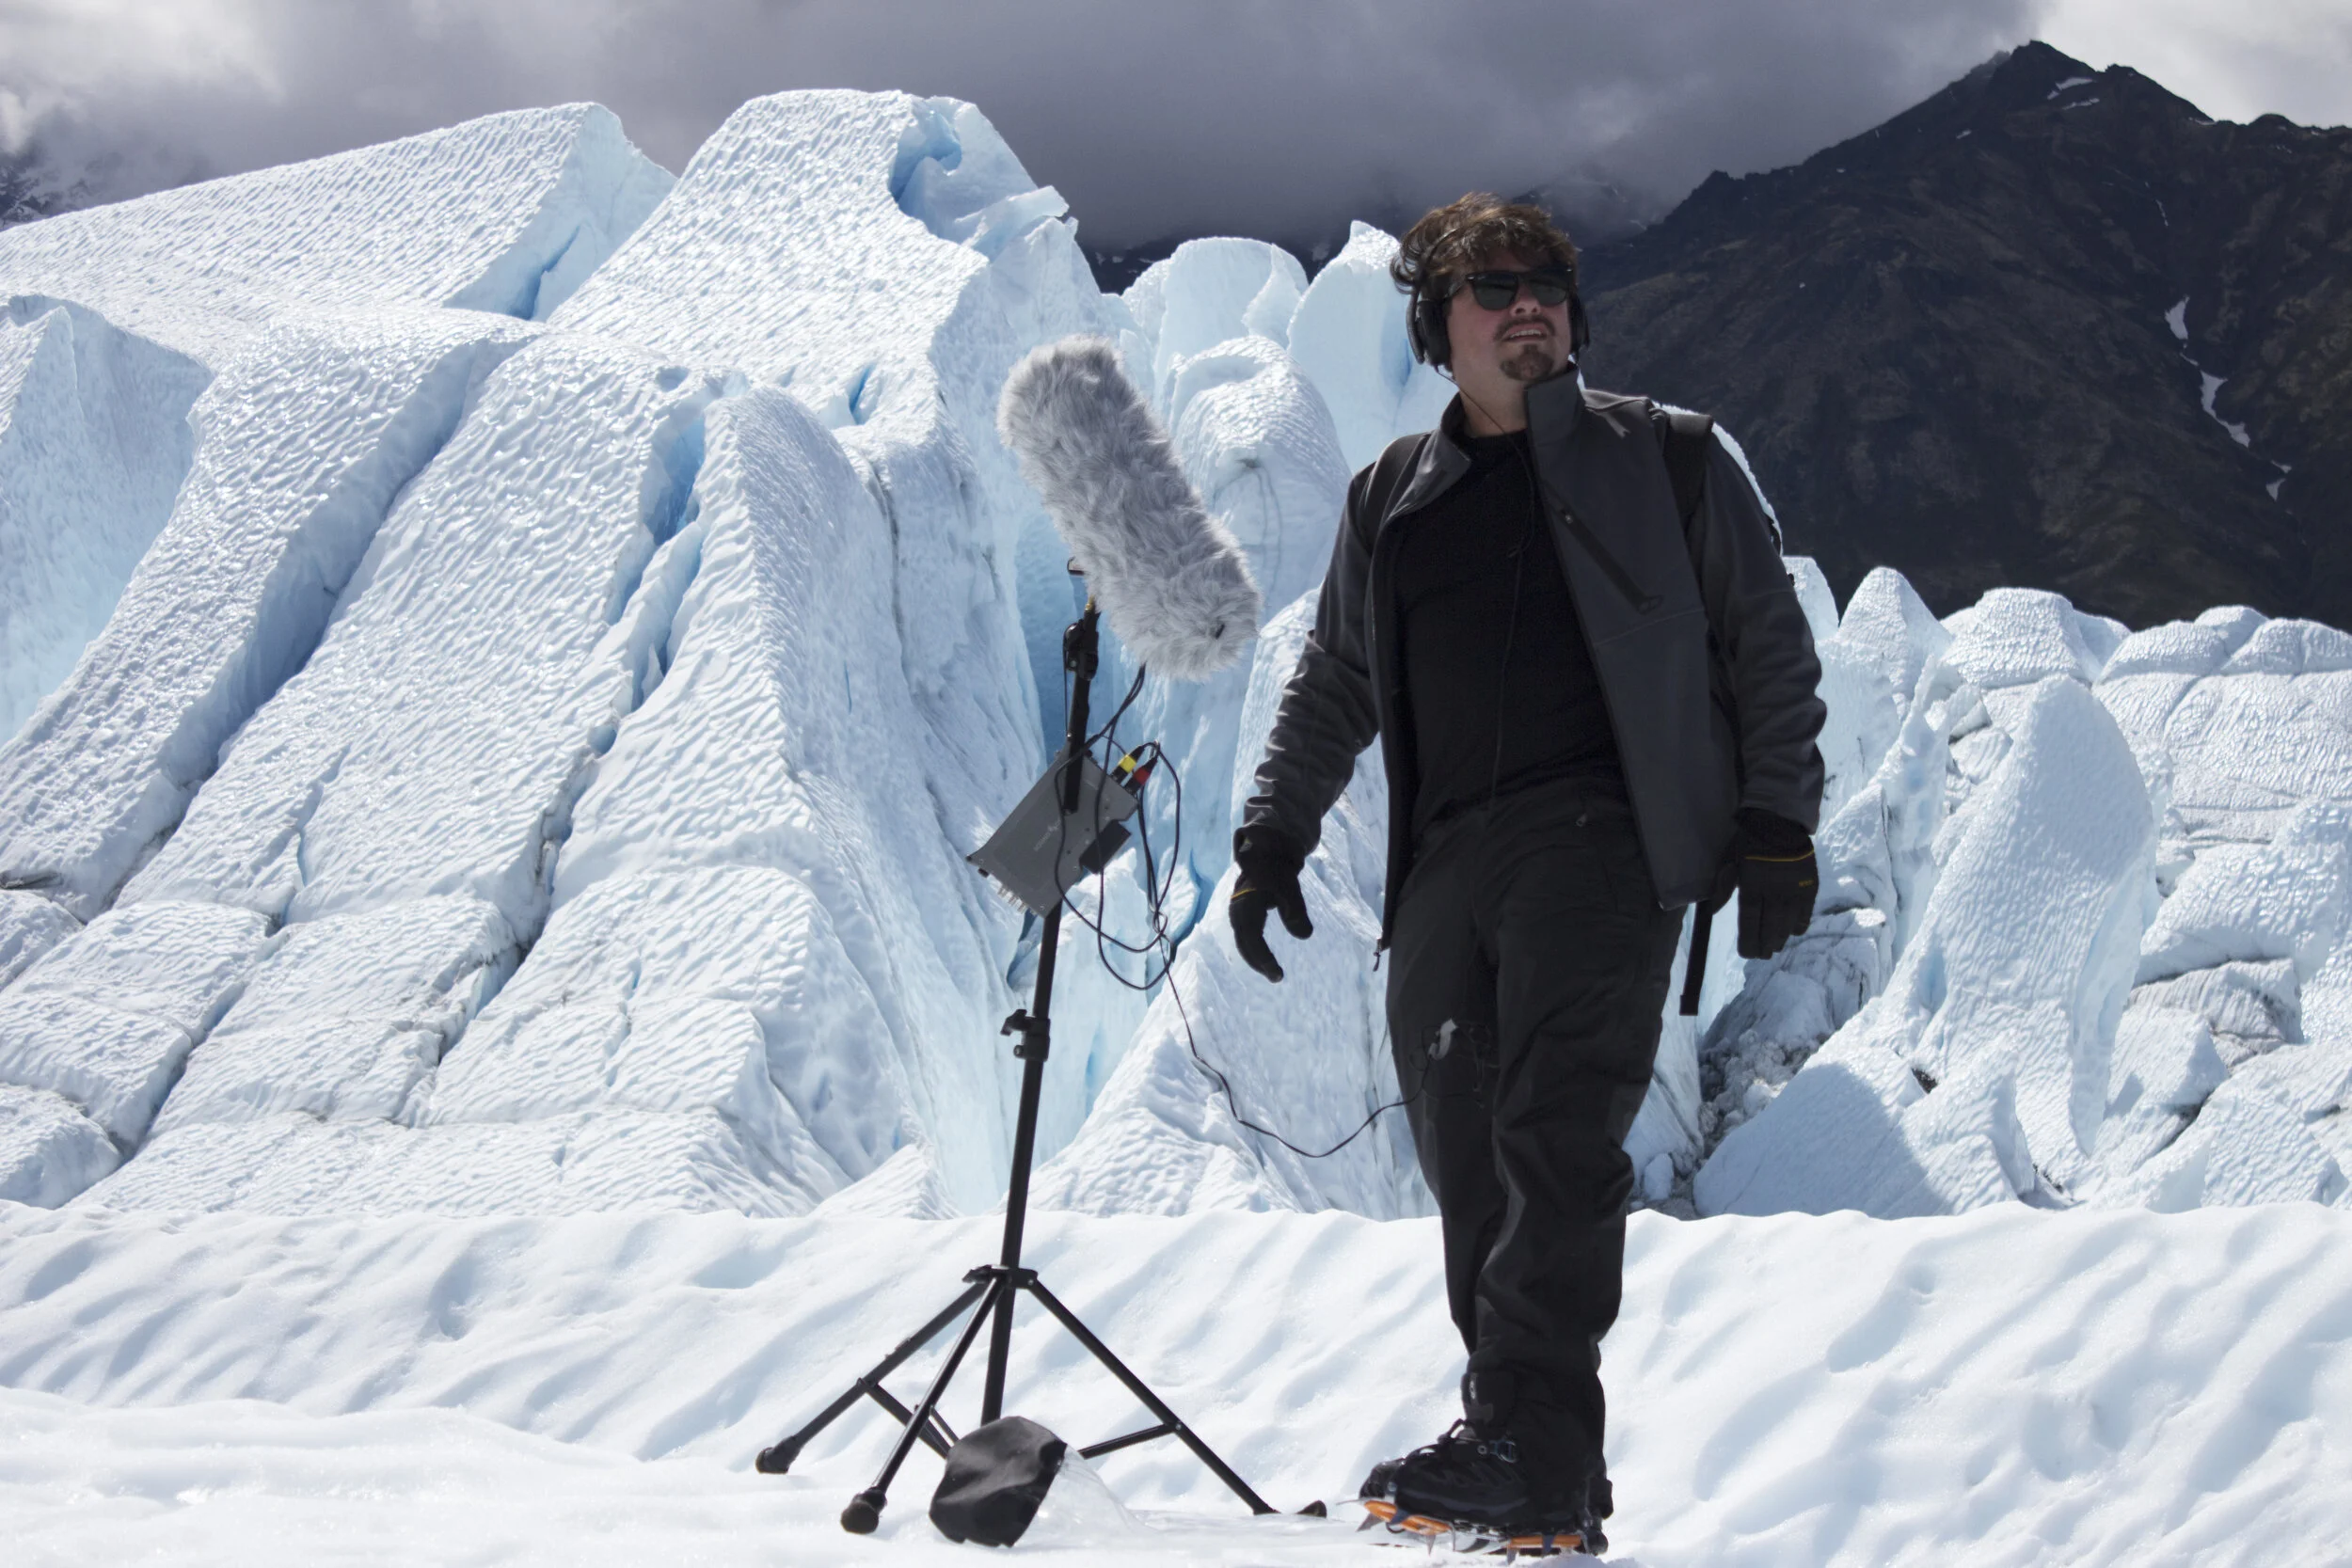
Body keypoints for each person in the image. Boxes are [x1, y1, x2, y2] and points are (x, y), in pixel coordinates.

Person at [1226, 193, 1826, 1552]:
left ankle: (1526, 1438)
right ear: (1438, 328)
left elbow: (1765, 640)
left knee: (1555, 1134)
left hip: (1599, 843)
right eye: (1493, 286)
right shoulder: (1394, 498)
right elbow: (1335, 682)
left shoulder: (1665, 459)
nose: (1528, 302)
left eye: (1548, 280)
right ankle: (1534, 1456)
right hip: (1446, 867)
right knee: (1472, 1161)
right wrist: (1274, 836)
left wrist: (1780, 819)